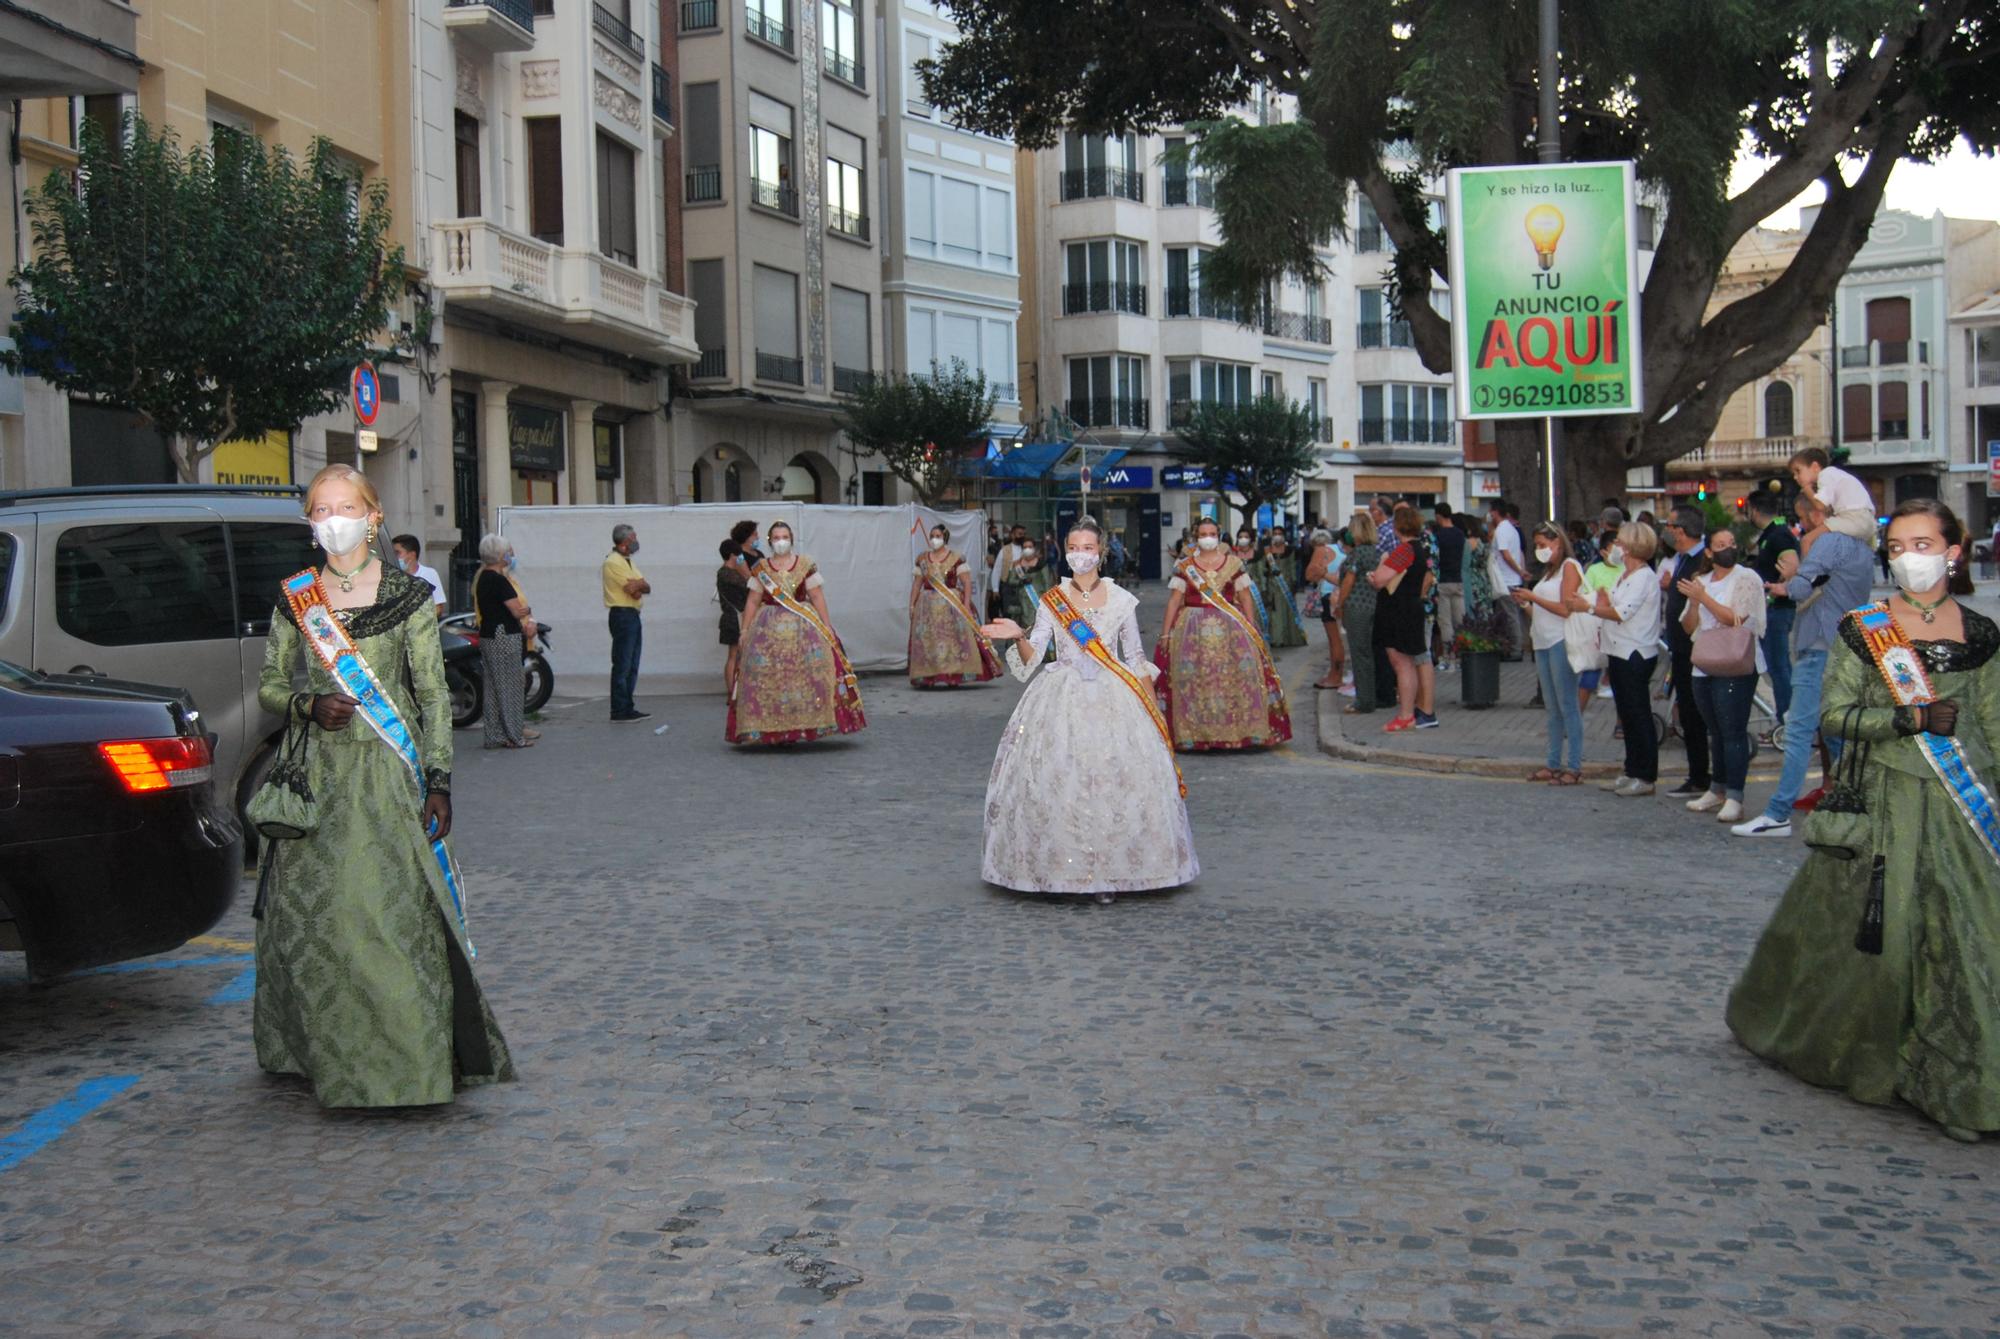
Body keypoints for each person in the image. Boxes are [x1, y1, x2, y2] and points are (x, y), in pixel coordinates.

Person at [1727, 498, 1998, 1141]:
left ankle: (1968, 1072)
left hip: (1968, 806)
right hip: (1887, 807)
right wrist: (1906, 719)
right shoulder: (1864, 627)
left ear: (1954, 551)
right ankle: (1892, 1058)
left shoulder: (1983, 633)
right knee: (1890, 934)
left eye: (1924, 544)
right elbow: (1834, 717)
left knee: (1970, 934)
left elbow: (1992, 722)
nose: (1911, 558)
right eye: (1898, 547)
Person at [255, 465, 513, 1108]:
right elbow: (268, 687)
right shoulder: (295, 599)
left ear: (373, 516)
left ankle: (410, 1069)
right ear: (309, 524)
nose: (332, 518)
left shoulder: (406, 594)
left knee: (391, 924)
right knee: (324, 929)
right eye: (320, 509)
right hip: (317, 785)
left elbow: (430, 694)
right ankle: (325, 1058)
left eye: (345, 506)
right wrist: (309, 705)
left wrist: (439, 782)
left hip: (388, 781)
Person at [979, 516, 1198, 903]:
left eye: (1088, 548)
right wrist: (1019, 635)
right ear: (1065, 552)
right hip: (1060, 698)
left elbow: (1133, 656)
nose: (1080, 555)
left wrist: (1153, 711)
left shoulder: (1120, 600)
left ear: (1102, 553)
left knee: (1115, 782)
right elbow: (1031, 663)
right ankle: (1065, 873)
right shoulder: (1052, 601)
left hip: (1116, 695)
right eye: (1074, 548)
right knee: (1062, 782)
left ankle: (1115, 873)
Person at [1732, 493, 1878, 836]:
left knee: (1798, 729)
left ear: (1817, 513)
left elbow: (1798, 588)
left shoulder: (1829, 543)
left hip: (1818, 643)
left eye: (1803, 516)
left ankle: (1778, 812)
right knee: (1834, 731)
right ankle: (1855, 801)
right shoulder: (1861, 547)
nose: (1802, 524)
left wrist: (1788, 581)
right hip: (1842, 644)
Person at [1155, 516, 1292, 750]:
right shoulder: (1186, 566)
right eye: (1202, 534)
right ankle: (1194, 734)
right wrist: (1165, 634)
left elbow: (1246, 596)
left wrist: (1251, 626)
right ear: (1196, 537)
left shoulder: (1234, 563)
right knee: (1194, 681)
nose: (1207, 538)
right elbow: (1174, 600)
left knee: (1234, 679)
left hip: (1232, 629)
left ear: (1218, 535)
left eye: (1211, 533)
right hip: (1192, 631)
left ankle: (1241, 732)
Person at [728, 521, 867, 744]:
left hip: (804, 629)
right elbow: (753, 600)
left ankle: (806, 724)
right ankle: (770, 729)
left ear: (791, 539)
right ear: (769, 541)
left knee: (811, 673)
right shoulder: (761, 568)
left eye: (784, 536)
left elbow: (817, 596)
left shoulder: (804, 564)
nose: (780, 541)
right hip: (767, 629)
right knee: (767, 677)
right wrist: (744, 630)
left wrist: (827, 626)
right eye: (776, 537)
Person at [1677, 525, 1767, 824]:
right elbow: (1689, 627)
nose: (1727, 547)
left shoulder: (1746, 578)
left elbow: (1736, 619)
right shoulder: (1700, 581)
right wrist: (1694, 602)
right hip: (1704, 662)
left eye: (1731, 542)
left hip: (1736, 661)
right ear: (1709, 551)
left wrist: (1704, 598)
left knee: (1732, 730)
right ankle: (1716, 788)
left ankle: (1735, 795)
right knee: (1714, 730)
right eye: (1720, 543)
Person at [1590, 521, 1664, 795]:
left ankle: (1645, 775)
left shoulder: (1644, 577)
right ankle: (1632, 768)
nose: (1616, 548)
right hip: (1618, 650)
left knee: (1638, 713)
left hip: (1636, 651)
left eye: (1620, 543)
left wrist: (1590, 607)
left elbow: (1623, 613)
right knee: (1627, 714)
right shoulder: (1625, 574)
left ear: (1632, 546)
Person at [1511, 522, 1586, 781]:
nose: (1539, 550)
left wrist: (1534, 598)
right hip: (1542, 641)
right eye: (1537, 546)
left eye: (1543, 545)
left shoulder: (1569, 567)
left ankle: (1574, 766)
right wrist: (1525, 604)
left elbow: (1566, 609)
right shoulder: (1549, 572)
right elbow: (1541, 612)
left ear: (1558, 542)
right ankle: (1553, 762)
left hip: (1560, 640)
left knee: (1568, 705)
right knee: (1553, 708)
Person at [909, 522, 1005, 687]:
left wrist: (966, 605)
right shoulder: (922, 559)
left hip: (951, 606)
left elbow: (966, 583)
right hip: (927, 609)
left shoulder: (956, 558)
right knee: (928, 641)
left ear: (945, 538)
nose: (934, 539)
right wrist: (912, 604)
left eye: (938, 536)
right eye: (932, 536)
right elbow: (917, 584)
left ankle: (953, 676)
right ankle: (929, 677)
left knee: (952, 641)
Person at [1659, 506, 1712, 799]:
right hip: (1680, 647)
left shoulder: (1701, 561)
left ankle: (1700, 776)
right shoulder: (1683, 559)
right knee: (1689, 712)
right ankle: (1698, 773)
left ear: (1681, 530)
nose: (1667, 531)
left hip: (1695, 647)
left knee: (1694, 713)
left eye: (1670, 525)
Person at [1371, 505, 1439, 733]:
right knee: (1410, 661)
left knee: (1401, 664)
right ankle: (1413, 711)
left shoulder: (1404, 551)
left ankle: (1406, 714)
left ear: (1397, 527)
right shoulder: (1419, 549)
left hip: (1398, 611)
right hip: (1411, 608)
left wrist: (1378, 568)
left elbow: (1380, 580)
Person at [474, 533, 535, 750]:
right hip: (504, 636)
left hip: (488, 635)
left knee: (492, 688)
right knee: (510, 687)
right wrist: (527, 611)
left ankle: (494, 735)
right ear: (500, 555)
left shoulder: (482, 577)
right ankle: (514, 735)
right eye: (508, 551)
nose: (511, 555)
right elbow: (516, 611)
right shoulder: (499, 580)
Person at [1748, 490, 1801, 734]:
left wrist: (1773, 591)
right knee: (1777, 667)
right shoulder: (1774, 533)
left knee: (1779, 667)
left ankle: (1787, 722)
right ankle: (1786, 719)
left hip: (1777, 611)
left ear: (1754, 510)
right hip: (1773, 610)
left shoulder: (1779, 535)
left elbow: (1792, 565)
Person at [602, 523, 651, 723]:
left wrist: (639, 585)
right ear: (625, 541)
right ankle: (619, 709)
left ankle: (627, 705)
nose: (636, 542)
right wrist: (639, 585)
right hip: (622, 614)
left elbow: (644, 587)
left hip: (632, 614)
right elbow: (633, 590)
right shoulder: (613, 562)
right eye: (634, 538)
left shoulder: (627, 560)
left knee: (632, 662)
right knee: (623, 663)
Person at [1789, 445, 1880, 545]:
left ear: (1815, 467)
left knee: (1807, 541)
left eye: (1798, 471)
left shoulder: (1826, 475)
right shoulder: (1834, 475)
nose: (1795, 477)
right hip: (1865, 519)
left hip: (1853, 518)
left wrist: (1806, 488)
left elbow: (1820, 506)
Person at [1338, 512, 1382, 714]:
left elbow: (1349, 581)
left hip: (1356, 607)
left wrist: (1339, 604)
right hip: (1371, 605)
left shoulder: (1357, 553)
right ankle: (1370, 696)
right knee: (1368, 654)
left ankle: (1363, 700)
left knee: (1359, 654)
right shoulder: (1374, 551)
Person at [1252, 530, 1309, 649]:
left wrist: (1294, 583)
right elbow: (1262, 568)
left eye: (1280, 533)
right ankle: (1276, 638)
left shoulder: (1290, 551)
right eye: (1275, 533)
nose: (1277, 535)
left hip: (1286, 585)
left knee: (1287, 612)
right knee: (1274, 612)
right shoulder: (1267, 551)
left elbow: (1293, 567)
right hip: (1272, 586)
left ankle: (1288, 638)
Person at [1303, 528, 1345, 689]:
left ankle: (1335, 676)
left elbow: (1309, 575)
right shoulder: (1339, 550)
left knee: (1334, 640)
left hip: (1329, 595)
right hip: (1340, 595)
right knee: (1338, 640)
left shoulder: (1321, 550)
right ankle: (1335, 674)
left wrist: (1319, 572)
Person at [1488, 501, 1530, 658]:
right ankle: (1508, 647)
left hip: (1506, 580)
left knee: (1510, 616)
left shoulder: (1502, 530)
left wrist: (1519, 570)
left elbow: (1506, 555)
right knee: (1506, 616)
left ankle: (1515, 650)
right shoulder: (1510, 529)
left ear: (1495, 512)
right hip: (1509, 579)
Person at [1432, 504, 1466, 671]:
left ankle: (1447, 656)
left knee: (1445, 622)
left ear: (1438, 516)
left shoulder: (1437, 536)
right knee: (1459, 620)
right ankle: (1460, 656)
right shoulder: (1460, 534)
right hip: (1458, 580)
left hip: (1443, 581)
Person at [716, 538, 751, 696]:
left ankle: (735, 689)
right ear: (732, 555)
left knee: (736, 654)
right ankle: (731, 691)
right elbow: (749, 586)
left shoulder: (729, 573)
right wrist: (745, 571)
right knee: (733, 655)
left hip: (735, 617)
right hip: (733, 618)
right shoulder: (726, 573)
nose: (740, 558)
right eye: (738, 555)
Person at [390, 534, 446, 619]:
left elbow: (438, 607)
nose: (394, 557)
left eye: (397, 553)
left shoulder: (429, 574)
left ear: (412, 555)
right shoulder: (391, 577)